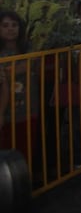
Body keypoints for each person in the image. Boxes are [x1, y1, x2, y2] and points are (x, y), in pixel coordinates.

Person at [0, 11, 40, 171]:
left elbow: (31, 65)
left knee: (26, 150)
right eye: (5, 25)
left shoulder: (28, 47)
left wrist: (8, 70)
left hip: (28, 108)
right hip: (5, 113)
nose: (11, 29)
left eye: (14, 25)